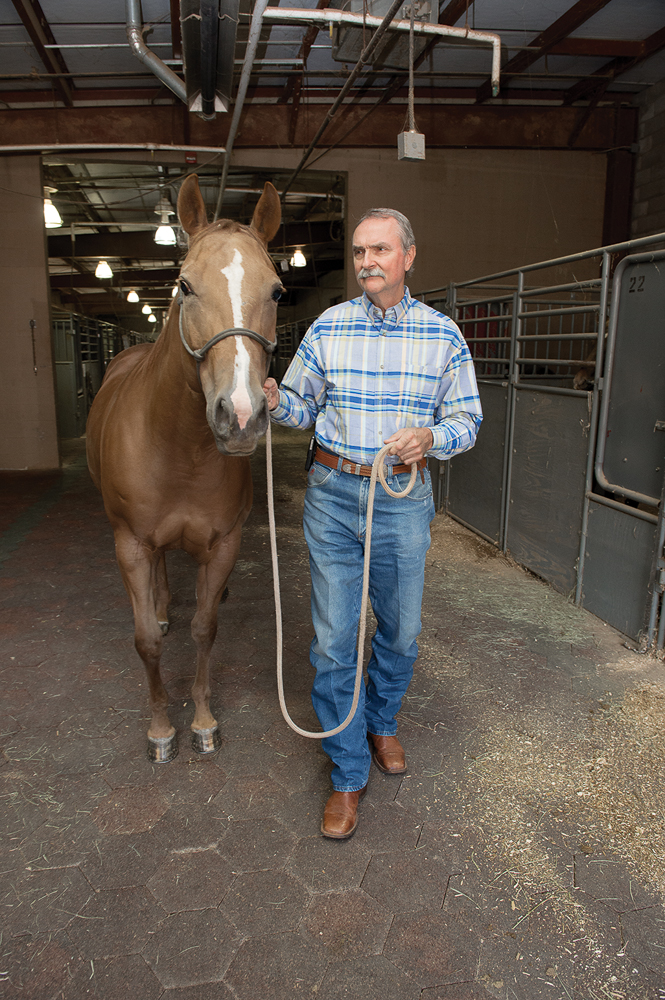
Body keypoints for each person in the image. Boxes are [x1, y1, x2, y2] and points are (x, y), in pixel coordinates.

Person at [263, 207, 482, 839]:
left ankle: (382, 720)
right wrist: (277, 398)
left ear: (408, 257)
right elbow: (303, 408)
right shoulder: (327, 328)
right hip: (333, 493)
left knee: (402, 630)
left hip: (401, 499)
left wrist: (431, 437)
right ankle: (349, 770)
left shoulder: (443, 336)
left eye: (380, 251)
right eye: (360, 252)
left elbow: (468, 421)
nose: (366, 262)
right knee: (335, 638)